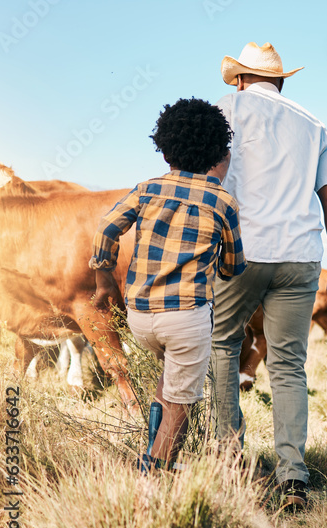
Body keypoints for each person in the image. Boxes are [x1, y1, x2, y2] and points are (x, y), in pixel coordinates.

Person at [211, 42, 327, 510]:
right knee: (288, 365)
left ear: (241, 80)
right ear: (281, 81)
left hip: (240, 250)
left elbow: (205, 182)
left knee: (223, 347)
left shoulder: (222, 110)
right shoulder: (314, 124)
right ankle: (293, 476)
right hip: (301, 256)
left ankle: (230, 463)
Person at [90, 98, 245, 471]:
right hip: (186, 318)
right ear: (219, 155)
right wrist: (220, 267)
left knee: (168, 382)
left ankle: (153, 452)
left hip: (141, 317)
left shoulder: (148, 189)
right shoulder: (223, 201)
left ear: (165, 153)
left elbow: (106, 228)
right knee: (181, 404)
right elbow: (233, 267)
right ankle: (154, 472)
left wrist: (104, 281)